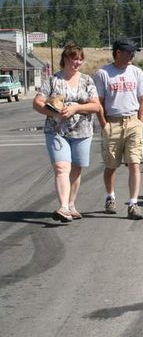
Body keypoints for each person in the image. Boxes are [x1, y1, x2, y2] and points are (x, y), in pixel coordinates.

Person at [33, 44, 100, 222]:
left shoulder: (87, 80)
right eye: (73, 58)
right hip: (56, 131)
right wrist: (55, 112)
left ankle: (71, 204)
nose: (77, 62)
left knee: (76, 169)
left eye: (79, 58)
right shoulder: (53, 80)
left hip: (83, 131)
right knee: (62, 168)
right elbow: (37, 102)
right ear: (65, 59)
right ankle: (63, 207)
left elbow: (96, 105)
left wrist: (77, 107)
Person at [94, 38, 143, 220]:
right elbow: (98, 102)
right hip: (113, 123)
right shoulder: (103, 73)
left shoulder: (136, 72)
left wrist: (140, 122)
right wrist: (104, 125)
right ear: (118, 52)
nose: (133, 55)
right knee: (111, 165)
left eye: (134, 52)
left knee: (135, 163)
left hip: (133, 122)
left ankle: (133, 204)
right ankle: (110, 197)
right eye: (129, 52)